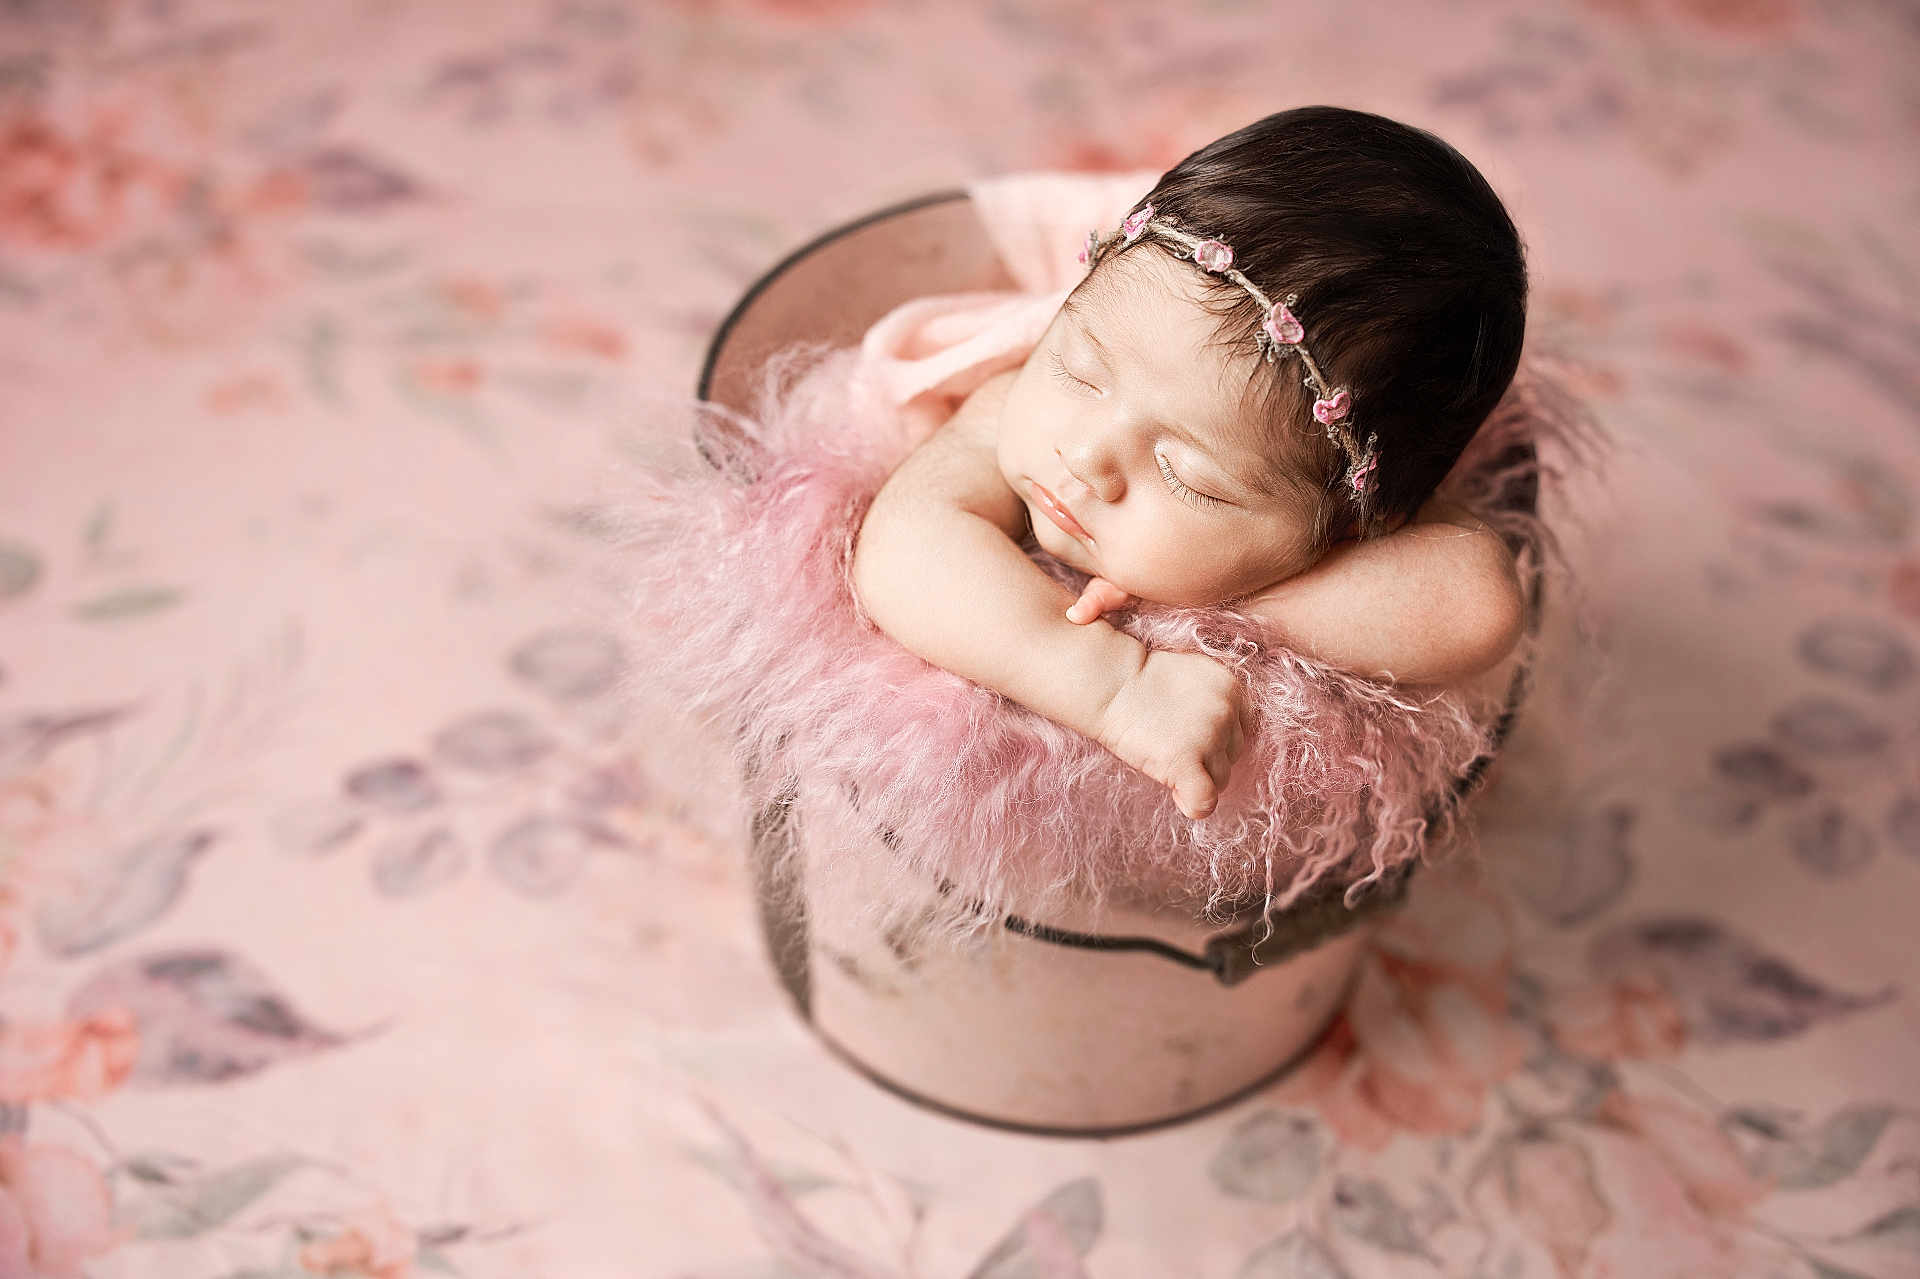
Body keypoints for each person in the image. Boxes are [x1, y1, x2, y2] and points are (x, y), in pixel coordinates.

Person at [850, 107, 1531, 822]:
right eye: (1081, 372)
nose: (1084, 458)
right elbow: (905, 547)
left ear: (1350, 527)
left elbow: (1480, 603)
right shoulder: (1019, 399)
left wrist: (1199, 602)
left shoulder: (1342, 496)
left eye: (1187, 476)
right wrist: (1115, 685)